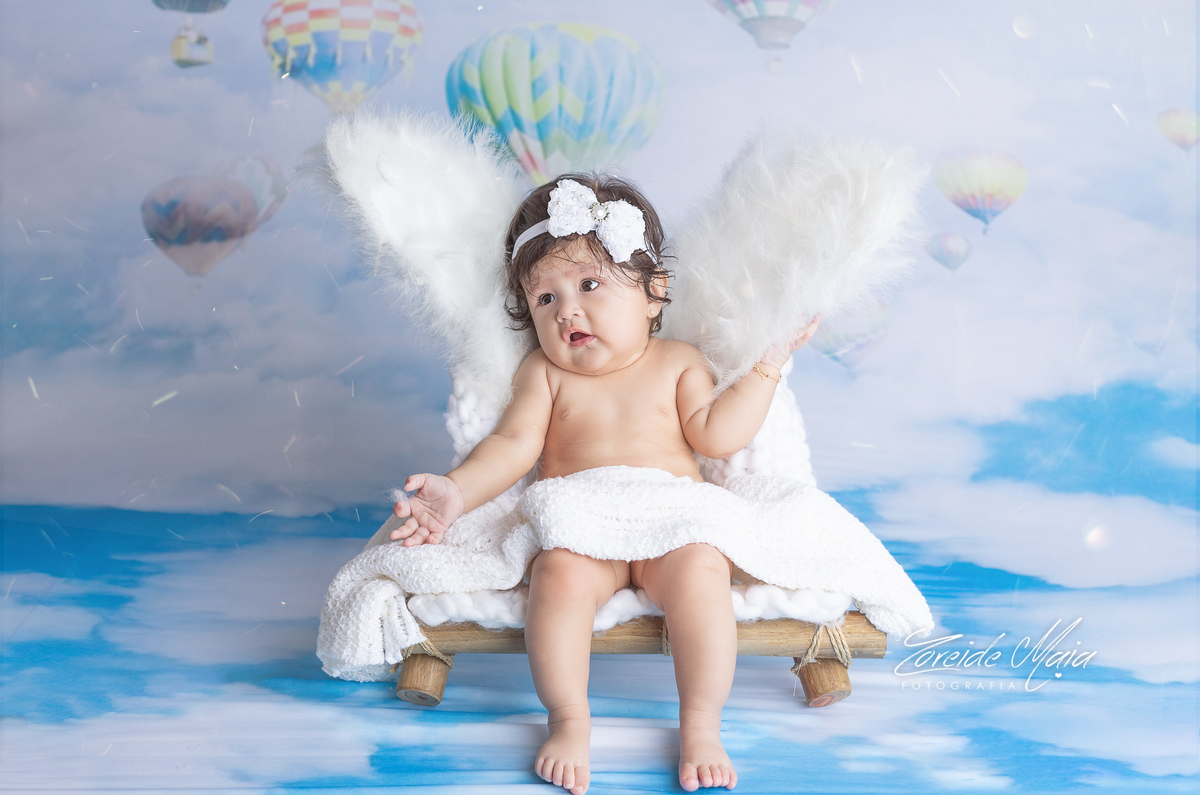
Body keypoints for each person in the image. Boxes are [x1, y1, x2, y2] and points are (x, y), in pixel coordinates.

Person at [387, 174, 821, 794]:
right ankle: (568, 720)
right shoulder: (543, 373)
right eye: (546, 298)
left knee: (702, 574)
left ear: (653, 293)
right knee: (557, 578)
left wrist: (768, 364)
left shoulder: (679, 362)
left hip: (672, 516)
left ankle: (701, 724)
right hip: (582, 518)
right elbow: (512, 446)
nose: (567, 310)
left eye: (589, 285)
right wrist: (457, 490)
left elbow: (718, 435)